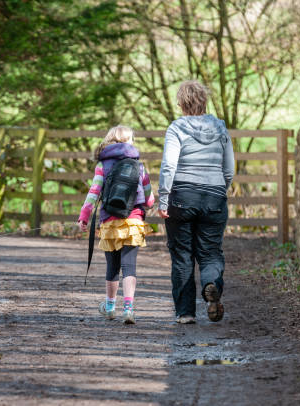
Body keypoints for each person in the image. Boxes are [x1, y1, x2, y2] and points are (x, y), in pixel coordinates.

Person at [158, 80, 235, 324]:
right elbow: (229, 167)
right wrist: (221, 188)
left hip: (181, 197)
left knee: (182, 255)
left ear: (181, 103)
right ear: (204, 101)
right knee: (211, 251)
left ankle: (186, 313)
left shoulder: (176, 128)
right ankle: (211, 284)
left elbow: (169, 165)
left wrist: (163, 198)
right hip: (213, 194)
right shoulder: (220, 128)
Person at [78, 125, 155, 324]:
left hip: (110, 222)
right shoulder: (138, 166)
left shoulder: (103, 165)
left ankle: (110, 307)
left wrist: (84, 215)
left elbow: (94, 192)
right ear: (130, 142)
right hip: (133, 221)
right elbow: (149, 199)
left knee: (112, 267)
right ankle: (128, 309)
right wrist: (147, 204)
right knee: (130, 267)